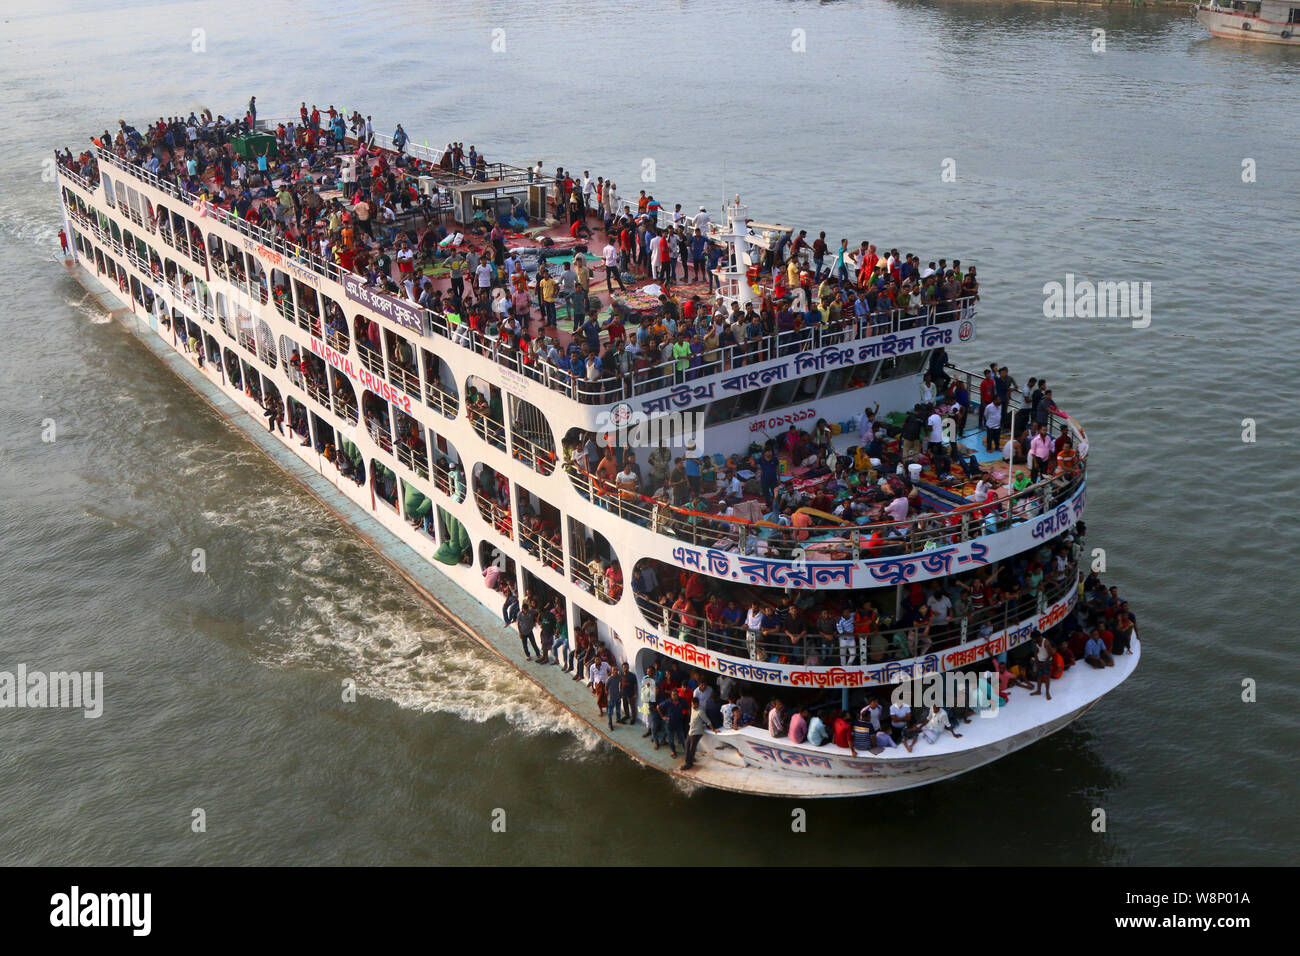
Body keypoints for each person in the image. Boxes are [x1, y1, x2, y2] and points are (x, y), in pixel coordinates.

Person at [683, 697, 711, 770]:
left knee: (691, 748)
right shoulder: (692, 708)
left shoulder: (701, 711)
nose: (693, 706)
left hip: (697, 732)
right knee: (687, 745)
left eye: (694, 704)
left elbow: (707, 721)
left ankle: (688, 763)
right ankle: (690, 760)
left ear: (698, 704)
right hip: (691, 731)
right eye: (692, 704)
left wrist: (713, 729)